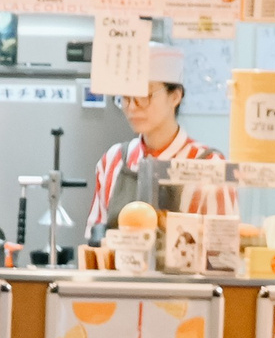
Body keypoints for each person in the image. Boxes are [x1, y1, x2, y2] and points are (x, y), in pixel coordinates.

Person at [85, 44, 239, 240]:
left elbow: (222, 248)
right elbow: (96, 241)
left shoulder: (209, 165)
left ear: (175, 96)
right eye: (125, 97)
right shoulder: (112, 160)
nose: (132, 107)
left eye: (144, 96)